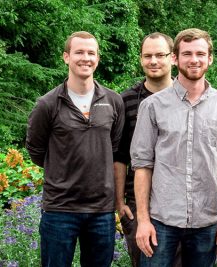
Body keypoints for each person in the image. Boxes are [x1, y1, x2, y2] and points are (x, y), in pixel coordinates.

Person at [131, 28, 217, 267]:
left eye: (200, 53)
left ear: (210, 58)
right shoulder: (152, 106)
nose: (194, 59)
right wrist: (143, 220)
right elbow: (142, 166)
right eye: (187, 53)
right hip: (161, 220)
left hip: (207, 220)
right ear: (175, 58)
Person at [26, 31, 125, 267]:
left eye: (91, 53)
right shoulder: (47, 104)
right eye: (79, 52)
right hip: (60, 210)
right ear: (66, 57)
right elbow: (36, 151)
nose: (86, 58)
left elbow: (114, 148)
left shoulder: (113, 101)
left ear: (98, 59)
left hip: (101, 210)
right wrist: (63, 171)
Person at [112, 32, 181, 267]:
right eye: (147, 56)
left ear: (172, 58)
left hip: (181, 202)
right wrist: (119, 203)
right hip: (139, 204)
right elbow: (119, 156)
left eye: (160, 55)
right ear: (140, 59)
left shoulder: (188, 98)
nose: (153, 61)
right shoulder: (127, 100)